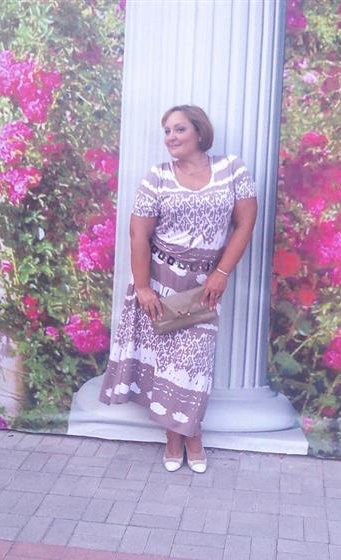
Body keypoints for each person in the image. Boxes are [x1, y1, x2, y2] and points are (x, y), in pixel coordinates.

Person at [98, 105, 258, 473]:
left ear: (199, 132)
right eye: (167, 131)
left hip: (204, 286)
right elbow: (138, 233)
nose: (171, 137)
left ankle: (189, 434)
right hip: (159, 283)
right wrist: (143, 288)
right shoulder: (157, 177)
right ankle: (179, 438)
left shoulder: (232, 169)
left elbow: (245, 223)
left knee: (193, 366)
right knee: (167, 366)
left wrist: (222, 272)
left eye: (179, 129)